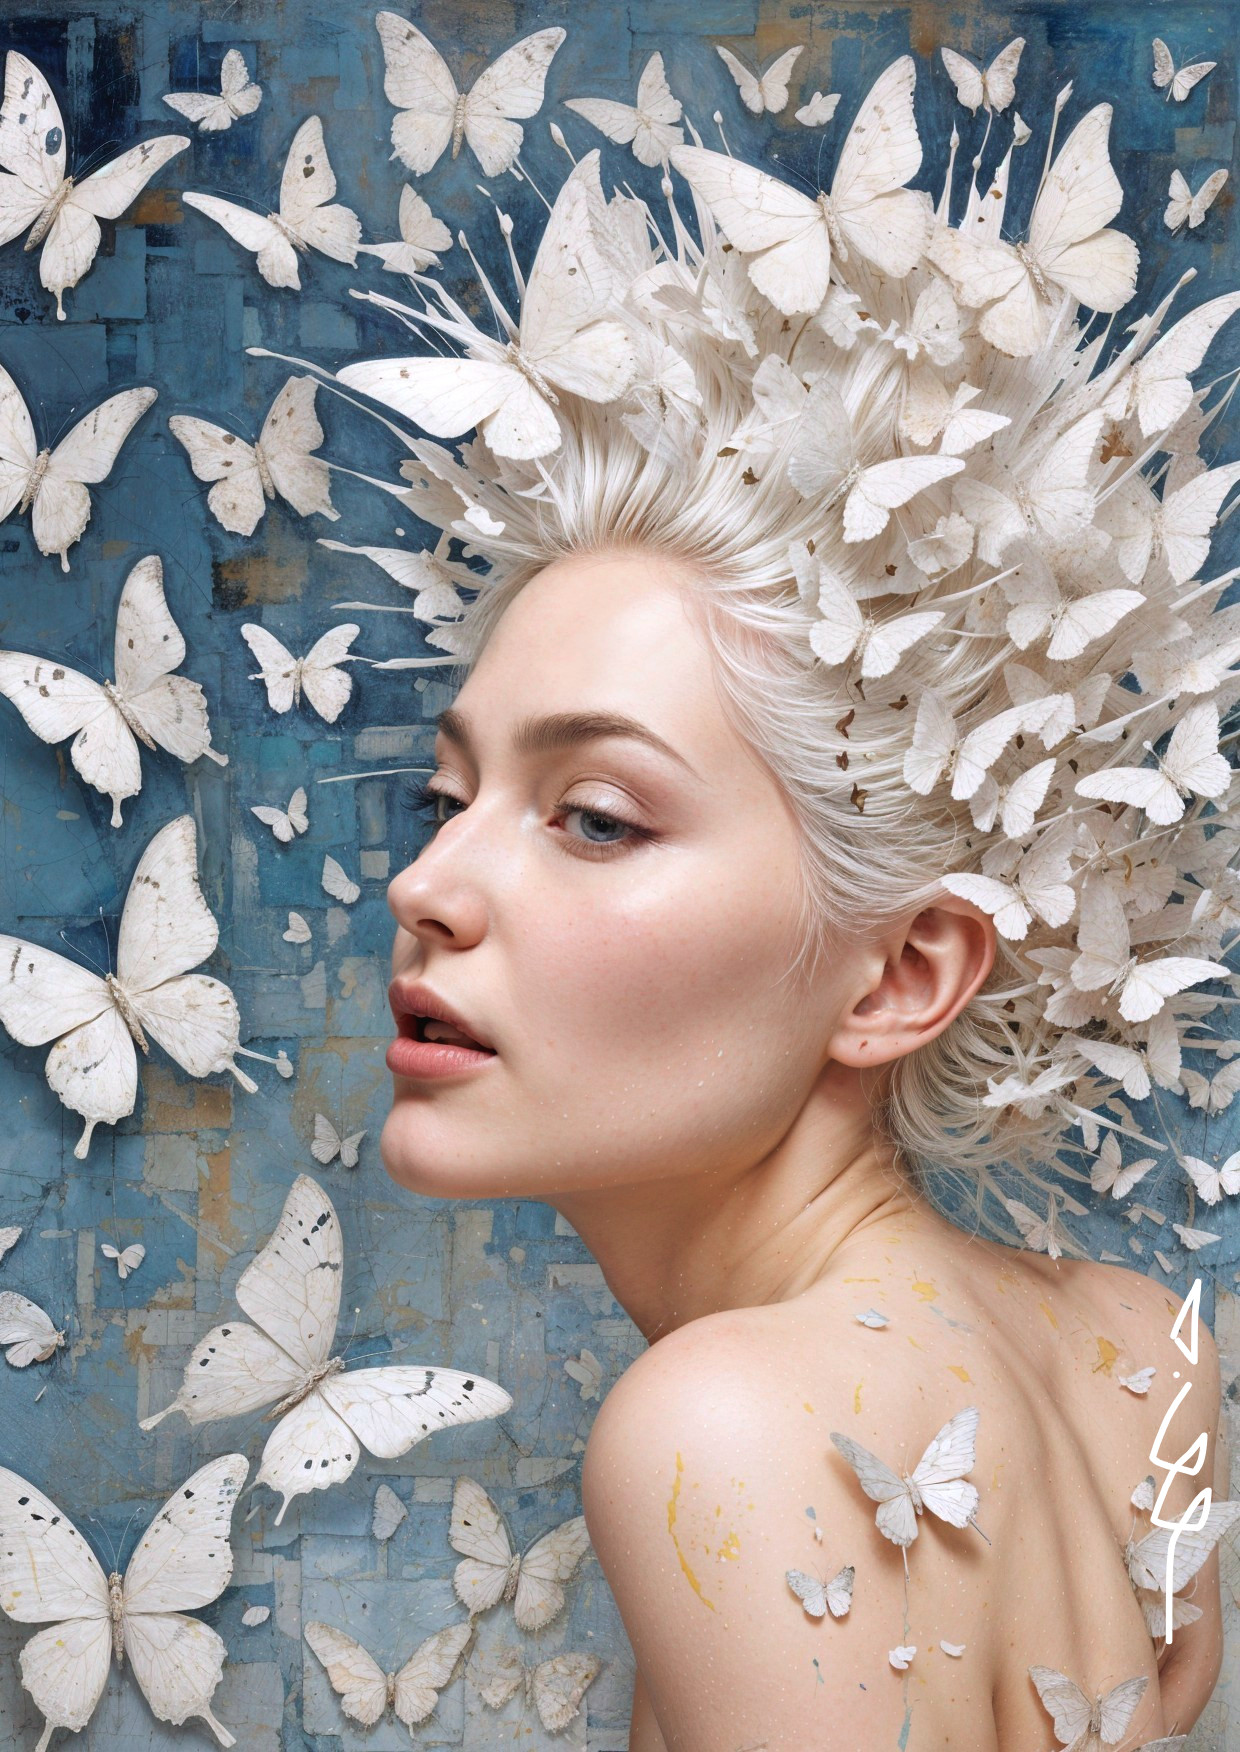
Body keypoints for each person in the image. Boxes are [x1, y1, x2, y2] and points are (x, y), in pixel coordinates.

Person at [318, 42, 1240, 1751]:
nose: (426, 885)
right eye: (449, 798)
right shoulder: (1151, 1352)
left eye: (594, 818)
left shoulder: (723, 1427)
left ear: (901, 975)